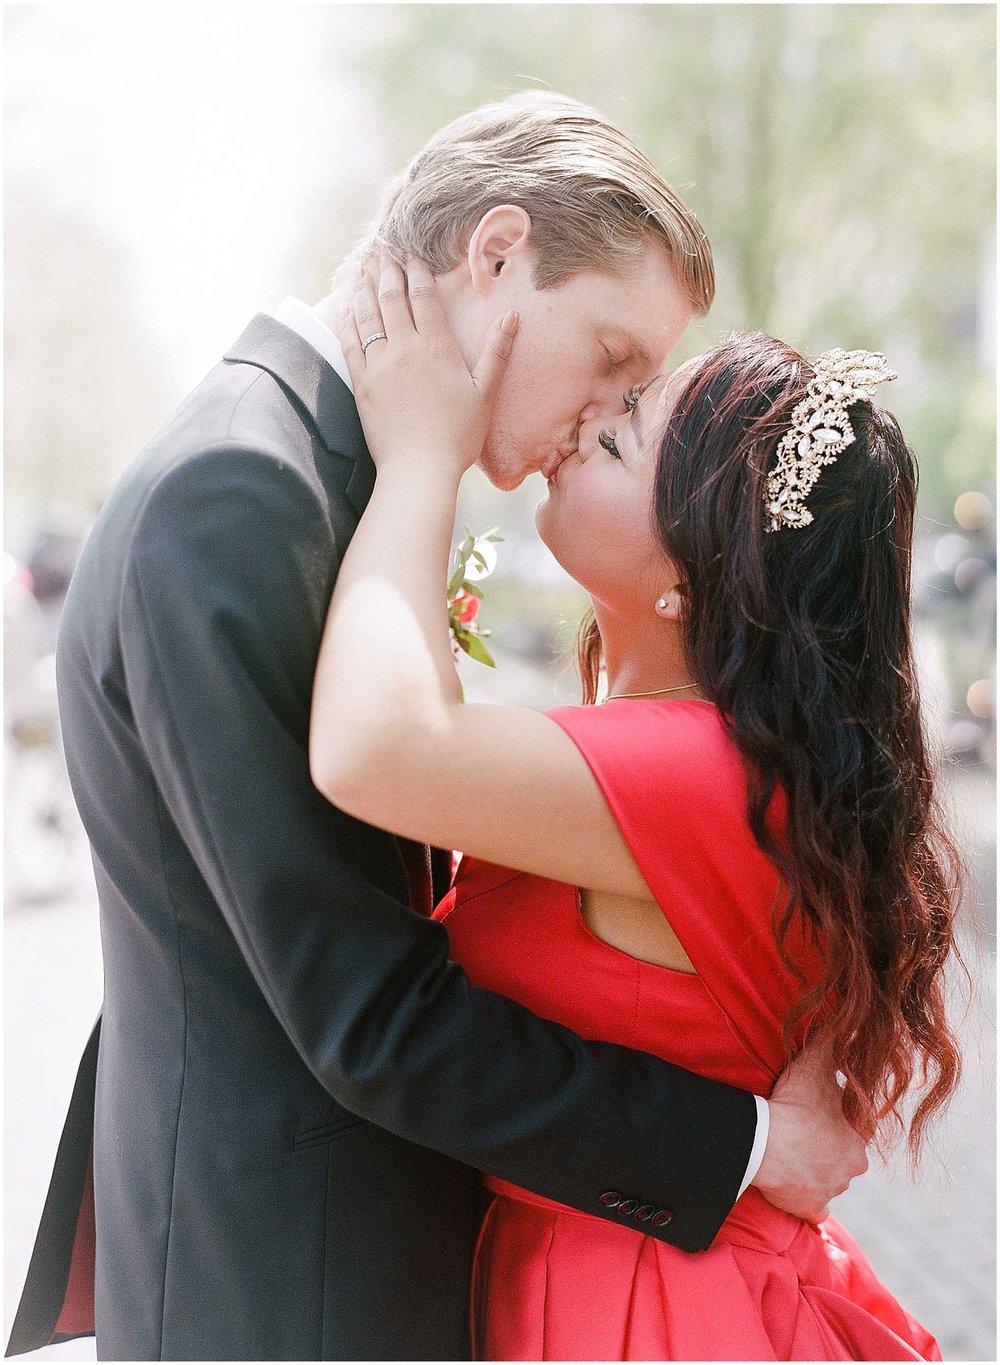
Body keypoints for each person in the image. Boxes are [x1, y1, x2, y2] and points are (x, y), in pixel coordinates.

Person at [7, 94, 865, 1363]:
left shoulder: (315, 485)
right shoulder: (241, 496)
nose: (608, 411)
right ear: (498, 254)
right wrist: (738, 1145)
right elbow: (366, 1012)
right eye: (615, 358)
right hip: (296, 1283)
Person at [309, 254, 962, 1360]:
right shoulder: (720, 761)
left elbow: (376, 746)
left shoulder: (694, 769)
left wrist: (422, 456)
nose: (575, 432)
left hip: (649, 1314)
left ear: (688, 577)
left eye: (616, 441)